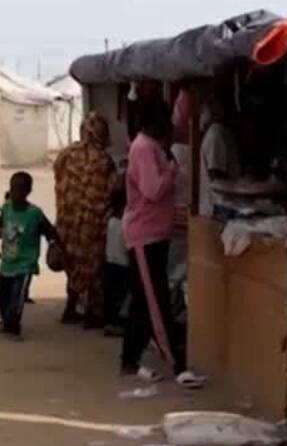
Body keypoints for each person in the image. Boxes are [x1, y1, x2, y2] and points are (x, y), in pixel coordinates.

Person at [121, 97, 206, 388]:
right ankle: (177, 364)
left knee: (143, 302)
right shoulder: (145, 148)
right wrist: (171, 168)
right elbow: (153, 190)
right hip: (145, 234)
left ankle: (129, 360)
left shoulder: (150, 146)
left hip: (153, 232)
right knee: (157, 302)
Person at [53, 112, 119, 328]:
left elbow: (58, 176)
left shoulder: (67, 153)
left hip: (68, 219)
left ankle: (70, 307)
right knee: (94, 266)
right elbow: (112, 189)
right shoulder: (104, 160)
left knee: (72, 264)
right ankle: (92, 314)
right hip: (92, 222)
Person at [0, 172, 61, 340]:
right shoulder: (6, 208)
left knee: (17, 297)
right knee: (0, 293)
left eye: (20, 190)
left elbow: (50, 232)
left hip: (25, 264)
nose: (15, 193)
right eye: (13, 189)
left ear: (28, 191)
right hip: (7, 262)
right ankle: (7, 321)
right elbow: (1, 225)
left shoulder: (35, 214)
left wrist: (55, 245)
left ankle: (13, 327)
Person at [198, 96, 241, 218]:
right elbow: (216, 175)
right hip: (218, 206)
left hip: (223, 204)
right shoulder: (215, 134)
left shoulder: (223, 132)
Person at [101, 182, 131, 338]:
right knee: (121, 296)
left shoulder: (110, 220)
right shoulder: (126, 222)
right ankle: (116, 324)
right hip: (123, 265)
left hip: (109, 262)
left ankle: (109, 323)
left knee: (111, 296)